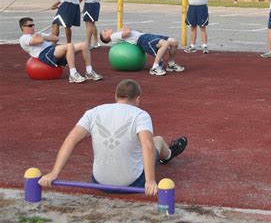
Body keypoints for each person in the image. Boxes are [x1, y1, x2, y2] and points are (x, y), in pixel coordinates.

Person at [38, 79, 188, 196]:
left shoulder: (93, 112)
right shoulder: (140, 114)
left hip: (99, 182)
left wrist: (54, 173)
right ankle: (167, 155)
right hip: (133, 184)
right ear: (138, 99)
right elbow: (147, 145)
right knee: (157, 140)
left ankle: (163, 157)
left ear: (116, 96)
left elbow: (70, 140)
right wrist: (149, 181)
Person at [19, 17, 102, 83]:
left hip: (53, 50)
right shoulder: (24, 38)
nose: (33, 27)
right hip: (45, 55)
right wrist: (42, 37)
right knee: (69, 46)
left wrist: (43, 36)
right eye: (30, 26)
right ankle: (73, 74)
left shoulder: (38, 34)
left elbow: (55, 38)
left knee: (84, 45)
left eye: (33, 25)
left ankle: (89, 72)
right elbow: (38, 41)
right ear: (23, 27)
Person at [100, 26, 184, 76]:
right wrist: (127, 28)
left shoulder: (116, 35)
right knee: (165, 44)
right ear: (106, 36)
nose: (106, 29)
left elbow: (130, 33)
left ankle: (171, 65)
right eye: (105, 31)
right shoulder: (113, 36)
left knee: (174, 42)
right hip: (142, 40)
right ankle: (154, 68)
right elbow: (127, 33)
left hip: (145, 35)